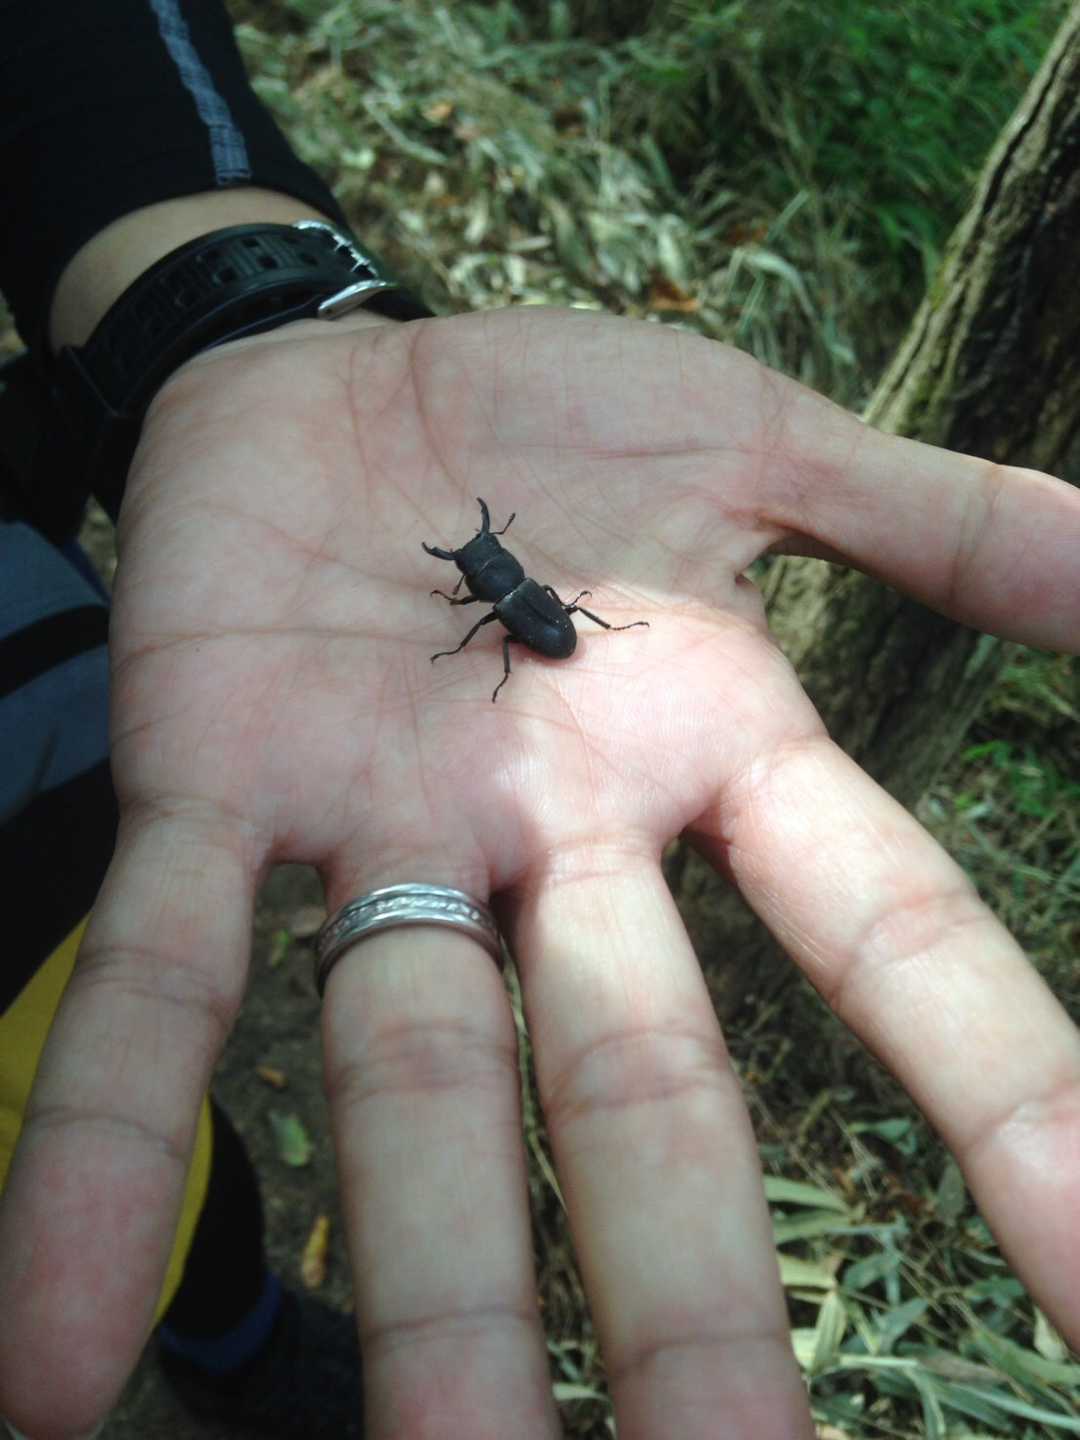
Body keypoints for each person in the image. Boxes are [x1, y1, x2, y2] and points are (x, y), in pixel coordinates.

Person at [1, 5, 1078, 1440]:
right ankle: (227, 1325)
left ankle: (225, 1315)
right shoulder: (499, 588)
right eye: (476, 564)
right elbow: (501, 596)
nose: (476, 565)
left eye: (480, 557)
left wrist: (229, 319)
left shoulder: (506, 592)